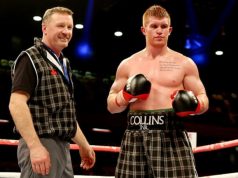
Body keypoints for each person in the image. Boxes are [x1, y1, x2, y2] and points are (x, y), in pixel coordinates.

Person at [107, 4, 209, 178]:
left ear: (170, 30)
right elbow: (111, 106)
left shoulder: (184, 63)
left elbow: (203, 98)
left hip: (172, 134)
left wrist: (195, 105)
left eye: (163, 26)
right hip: (135, 134)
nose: (159, 31)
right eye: (154, 26)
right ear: (143, 29)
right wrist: (125, 95)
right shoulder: (128, 64)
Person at [8, 7, 95, 177]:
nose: (66, 31)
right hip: (42, 143)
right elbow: (16, 104)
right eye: (60, 26)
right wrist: (35, 146)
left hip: (63, 146)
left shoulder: (64, 63)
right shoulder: (30, 58)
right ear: (45, 28)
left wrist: (84, 145)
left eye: (69, 27)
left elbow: (64, 113)